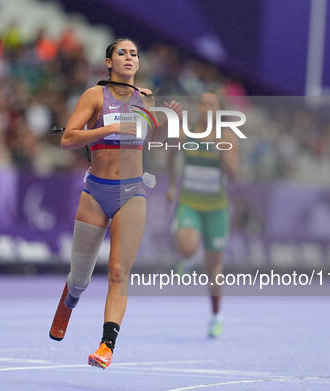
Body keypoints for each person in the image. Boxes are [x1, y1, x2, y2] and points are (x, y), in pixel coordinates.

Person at [49, 38, 179, 369]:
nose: (129, 58)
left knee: (119, 271)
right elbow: (67, 139)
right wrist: (109, 127)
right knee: (80, 277)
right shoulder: (95, 96)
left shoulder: (147, 99)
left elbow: (152, 142)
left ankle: (107, 346)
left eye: (134, 53)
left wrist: (166, 124)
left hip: (132, 192)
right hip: (96, 192)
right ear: (109, 62)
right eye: (122, 53)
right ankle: (70, 299)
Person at [166, 92, 238, 338]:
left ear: (219, 110)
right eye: (203, 104)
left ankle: (216, 316)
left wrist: (223, 153)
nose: (206, 108)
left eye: (212, 105)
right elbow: (170, 155)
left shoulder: (227, 136)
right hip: (190, 202)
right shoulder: (186, 131)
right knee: (186, 247)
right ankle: (189, 256)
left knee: (214, 269)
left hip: (216, 208)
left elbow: (235, 174)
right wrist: (172, 184)